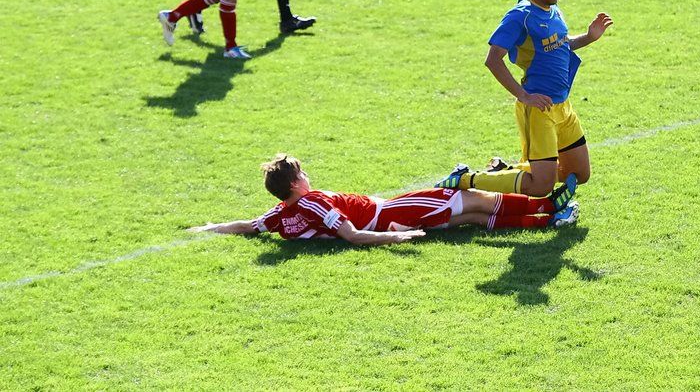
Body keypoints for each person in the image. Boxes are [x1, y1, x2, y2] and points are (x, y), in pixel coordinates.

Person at [436, 0, 612, 196]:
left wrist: (589, 37)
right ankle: (466, 178)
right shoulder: (520, 17)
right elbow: (493, 59)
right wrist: (524, 96)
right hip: (539, 109)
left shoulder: (554, 10)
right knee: (541, 186)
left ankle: (505, 171)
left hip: (563, 107)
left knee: (580, 173)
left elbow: (561, 45)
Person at [188, 154, 580, 245]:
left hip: (389, 213)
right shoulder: (314, 203)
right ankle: (547, 206)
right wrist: (395, 235)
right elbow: (353, 235)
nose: (308, 177)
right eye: (302, 174)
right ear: (295, 184)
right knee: (469, 197)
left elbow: (248, 226)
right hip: (391, 211)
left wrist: (209, 228)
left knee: (472, 218)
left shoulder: (281, 213)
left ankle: (549, 220)